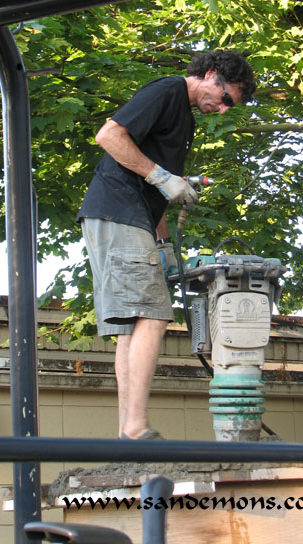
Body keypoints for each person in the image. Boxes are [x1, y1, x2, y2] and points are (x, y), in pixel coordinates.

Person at [77, 50, 256, 440]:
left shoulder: (183, 119)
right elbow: (109, 136)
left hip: (127, 215)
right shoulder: (167, 91)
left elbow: (151, 186)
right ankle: (137, 427)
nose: (224, 110)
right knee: (154, 317)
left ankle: (128, 431)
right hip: (118, 212)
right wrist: (163, 176)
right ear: (211, 75)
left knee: (131, 326)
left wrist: (163, 244)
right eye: (226, 98)